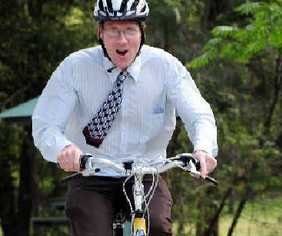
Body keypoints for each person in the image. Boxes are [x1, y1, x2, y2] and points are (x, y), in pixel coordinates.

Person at [32, 0, 218, 235]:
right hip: (92, 172)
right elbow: (45, 124)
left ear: (142, 32)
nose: (122, 40)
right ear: (100, 32)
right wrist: (64, 149)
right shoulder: (74, 67)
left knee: (158, 227)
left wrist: (203, 148)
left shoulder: (166, 66)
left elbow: (198, 113)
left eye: (130, 30)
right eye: (113, 30)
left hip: (146, 172)